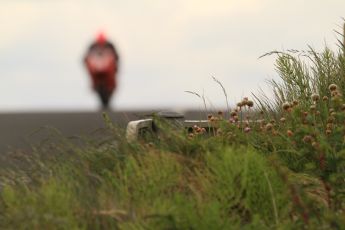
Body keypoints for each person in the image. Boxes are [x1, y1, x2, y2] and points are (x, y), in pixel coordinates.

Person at [84, 32, 119, 109]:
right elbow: (85, 58)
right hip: (96, 69)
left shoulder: (110, 45)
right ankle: (96, 88)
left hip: (108, 69)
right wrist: (88, 66)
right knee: (94, 81)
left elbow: (117, 57)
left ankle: (109, 93)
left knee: (112, 81)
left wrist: (116, 67)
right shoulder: (92, 46)